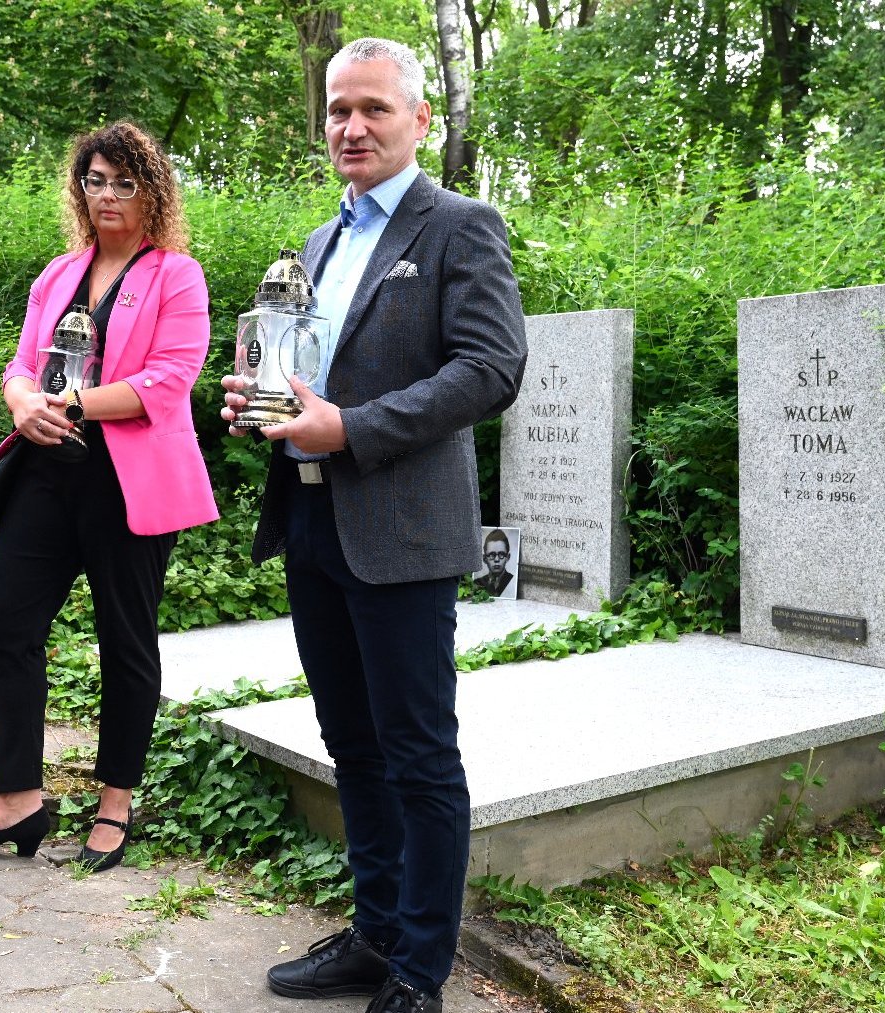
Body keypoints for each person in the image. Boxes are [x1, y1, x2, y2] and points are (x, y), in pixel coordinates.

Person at [220, 39, 527, 1013]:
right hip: (312, 522)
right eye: (336, 111)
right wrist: (259, 404)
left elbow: (489, 367)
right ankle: (373, 929)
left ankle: (419, 967)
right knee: (349, 742)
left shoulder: (458, 227)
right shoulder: (315, 243)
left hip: (400, 531)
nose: (351, 127)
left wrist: (348, 427)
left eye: (372, 110)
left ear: (416, 121)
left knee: (417, 752)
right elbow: (304, 372)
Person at [0, 121, 216, 872]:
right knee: (3, 620)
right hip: (49, 473)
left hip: (128, 482)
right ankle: (21, 797)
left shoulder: (175, 275)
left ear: (152, 190)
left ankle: (116, 800)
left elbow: (170, 378)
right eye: (95, 181)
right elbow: (21, 362)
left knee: (126, 639)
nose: (108, 196)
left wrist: (77, 403)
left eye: (125, 183)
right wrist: (22, 398)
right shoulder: (58, 273)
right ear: (79, 187)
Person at [472, 529, 513, 597]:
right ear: (485, 559)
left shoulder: (512, 582)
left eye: (501, 554)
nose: (496, 559)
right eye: (492, 555)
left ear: (508, 557)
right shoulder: (477, 583)